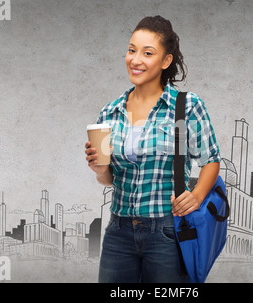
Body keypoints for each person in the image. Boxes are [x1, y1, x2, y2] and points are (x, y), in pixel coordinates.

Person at [84, 15, 221, 283]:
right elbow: (108, 179)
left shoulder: (186, 106)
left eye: (147, 53)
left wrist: (197, 195)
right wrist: (100, 170)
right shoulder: (109, 112)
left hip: (167, 232)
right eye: (132, 50)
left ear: (166, 61)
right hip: (118, 231)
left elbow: (211, 159)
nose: (136, 60)